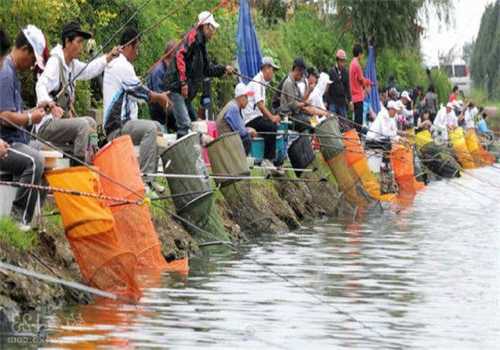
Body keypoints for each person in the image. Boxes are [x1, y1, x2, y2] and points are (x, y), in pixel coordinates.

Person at [35, 21, 120, 162]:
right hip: (46, 126)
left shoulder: (72, 64)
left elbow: (89, 69)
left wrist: (109, 57)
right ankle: (80, 165)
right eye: (79, 42)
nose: (81, 47)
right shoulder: (55, 62)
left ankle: (94, 155)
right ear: (67, 42)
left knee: (91, 122)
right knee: (82, 126)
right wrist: (51, 104)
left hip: (60, 124)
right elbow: (40, 85)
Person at [103, 27, 170, 195]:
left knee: (158, 127)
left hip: (126, 124)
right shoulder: (121, 65)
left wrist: (151, 93)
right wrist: (160, 97)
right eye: (137, 48)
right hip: (117, 127)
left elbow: (136, 94)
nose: (138, 53)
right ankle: (145, 181)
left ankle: (151, 178)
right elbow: (141, 92)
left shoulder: (122, 65)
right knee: (150, 129)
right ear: (130, 46)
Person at [0, 26, 47, 231]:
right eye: (32, 59)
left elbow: (12, 111)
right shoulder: (6, 73)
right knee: (35, 161)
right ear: (26, 50)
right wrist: (30, 117)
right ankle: (19, 221)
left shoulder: (11, 72)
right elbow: (4, 118)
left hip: (15, 140)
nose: (31, 66)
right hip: (5, 142)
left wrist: (33, 111)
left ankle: (36, 218)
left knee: (45, 152)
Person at [166, 11, 234, 138]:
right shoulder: (193, 36)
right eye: (213, 27)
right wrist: (183, 82)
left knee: (195, 122)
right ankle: (181, 156)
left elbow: (207, 70)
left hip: (186, 92)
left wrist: (224, 69)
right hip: (177, 88)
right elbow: (180, 55)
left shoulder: (201, 45)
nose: (214, 31)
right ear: (205, 26)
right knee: (185, 125)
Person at [243, 56, 280, 168]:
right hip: (250, 119)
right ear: (266, 68)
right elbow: (260, 105)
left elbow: (261, 108)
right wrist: (272, 118)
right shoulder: (257, 81)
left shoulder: (262, 82)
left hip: (255, 117)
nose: (273, 73)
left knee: (272, 125)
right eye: (272, 70)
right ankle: (267, 160)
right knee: (272, 128)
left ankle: (270, 158)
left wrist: (271, 118)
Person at [216, 83, 256, 154]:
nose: (248, 101)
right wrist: (250, 130)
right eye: (246, 97)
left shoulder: (233, 105)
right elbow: (241, 132)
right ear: (240, 97)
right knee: (247, 138)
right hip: (226, 141)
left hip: (227, 139)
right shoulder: (233, 108)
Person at [147, 40, 177, 131]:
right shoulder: (158, 70)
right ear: (172, 54)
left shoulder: (170, 69)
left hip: (167, 108)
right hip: (158, 110)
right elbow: (158, 95)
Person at [349, 44, 371, 133]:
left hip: (354, 96)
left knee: (356, 121)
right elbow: (361, 79)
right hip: (358, 96)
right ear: (359, 54)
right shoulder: (357, 65)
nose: (362, 56)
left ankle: (356, 139)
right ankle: (357, 141)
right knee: (358, 123)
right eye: (362, 54)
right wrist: (369, 83)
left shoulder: (351, 63)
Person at [326, 49, 351, 118]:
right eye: (341, 61)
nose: (343, 63)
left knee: (344, 121)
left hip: (342, 102)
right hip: (332, 101)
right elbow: (327, 88)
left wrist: (349, 100)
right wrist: (326, 100)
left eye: (344, 61)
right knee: (331, 118)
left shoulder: (346, 72)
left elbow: (347, 87)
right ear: (337, 60)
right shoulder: (331, 71)